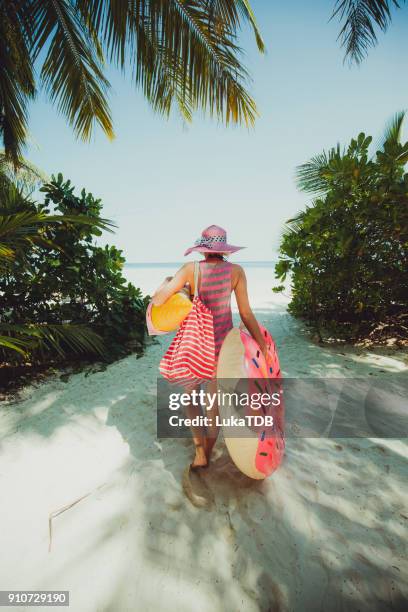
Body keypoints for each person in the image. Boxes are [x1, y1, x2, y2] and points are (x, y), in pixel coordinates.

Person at [152, 225, 268, 469]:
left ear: (203, 249)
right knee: (213, 405)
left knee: (192, 399)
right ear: (224, 249)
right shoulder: (236, 272)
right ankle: (207, 449)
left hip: (195, 345)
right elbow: (246, 313)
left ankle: (199, 453)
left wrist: (174, 285)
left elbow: (159, 300)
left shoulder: (190, 270)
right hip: (222, 349)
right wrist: (261, 345)